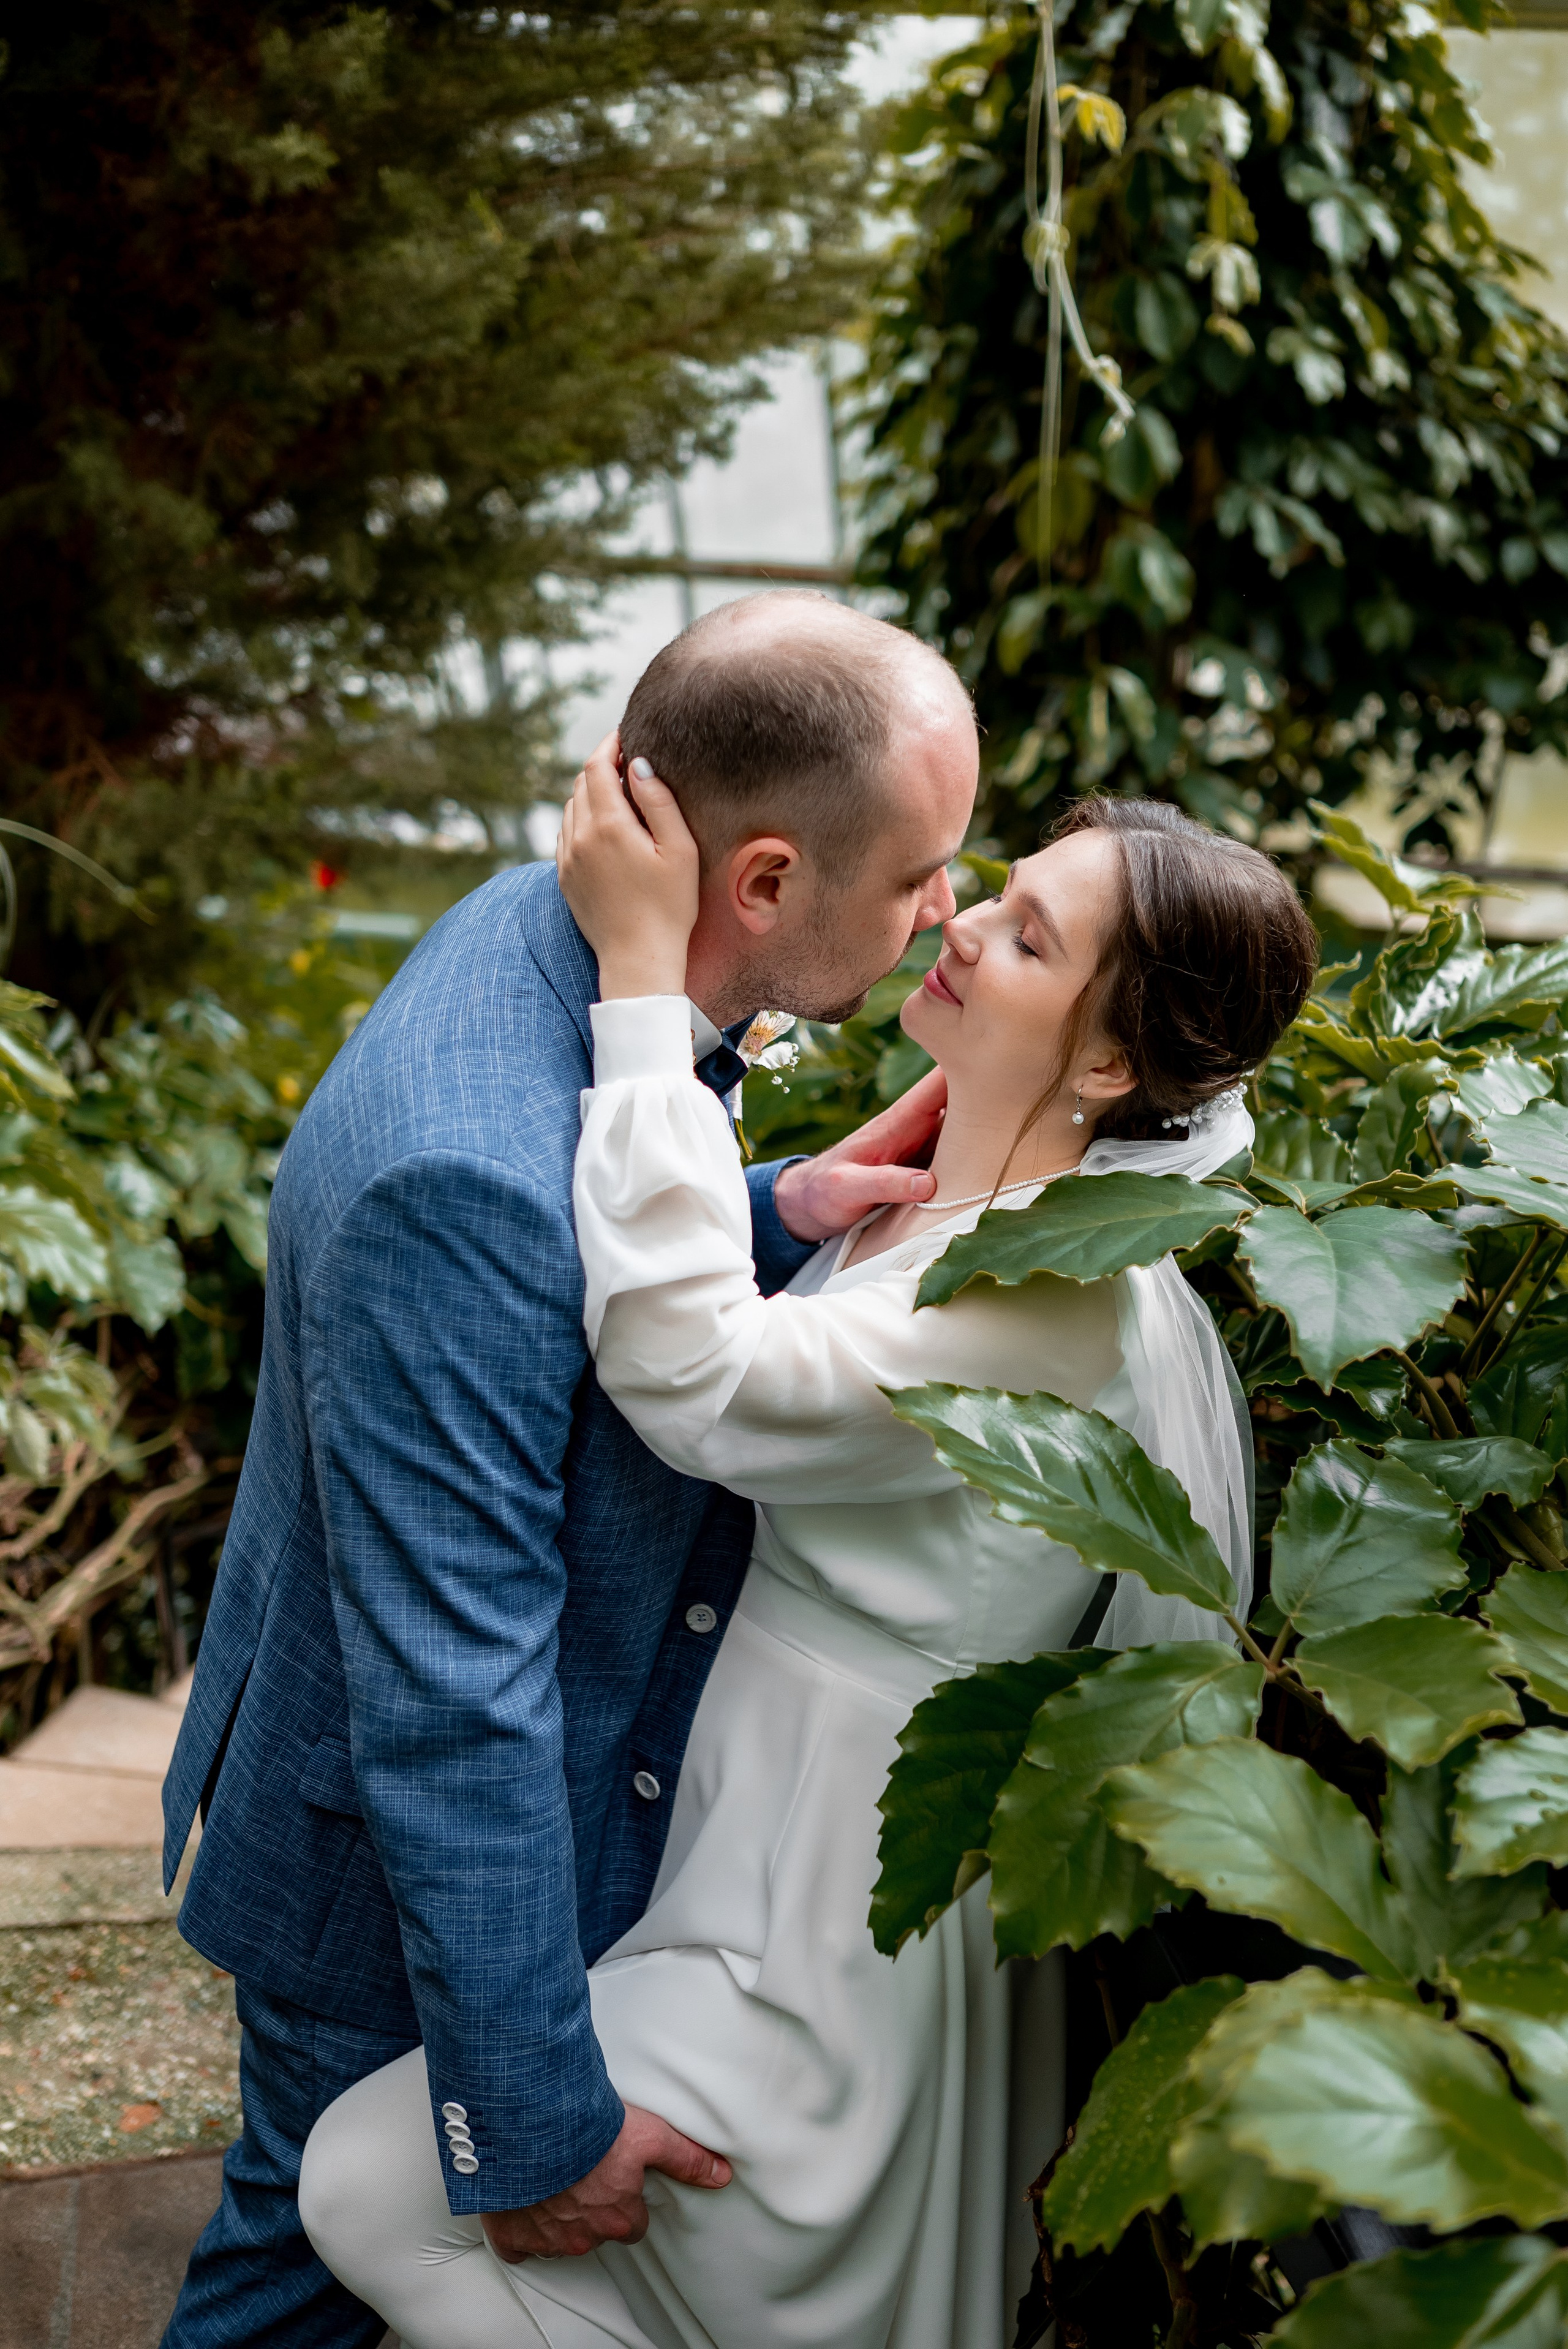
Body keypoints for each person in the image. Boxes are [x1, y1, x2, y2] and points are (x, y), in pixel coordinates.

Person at [296, 751, 1319, 2347]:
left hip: (832, 1908)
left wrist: (643, 988)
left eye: (1031, 938)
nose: (963, 925)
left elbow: (700, 1377)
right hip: (740, 1828)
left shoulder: (1049, 1298)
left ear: (1115, 1058)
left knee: (366, 2184)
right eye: (1000, 893)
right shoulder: (978, 1204)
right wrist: (796, 1205)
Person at [158, 590, 980, 2349]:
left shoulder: (573, 939)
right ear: (762, 881)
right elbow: (454, 1690)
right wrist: (530, 2121)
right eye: (922, 874)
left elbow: (559, 1270)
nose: (945, 913)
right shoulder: (457, 1184)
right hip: (393, 1888)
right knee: (291, 2284)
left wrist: (769, 1210)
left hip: (456, 1824)